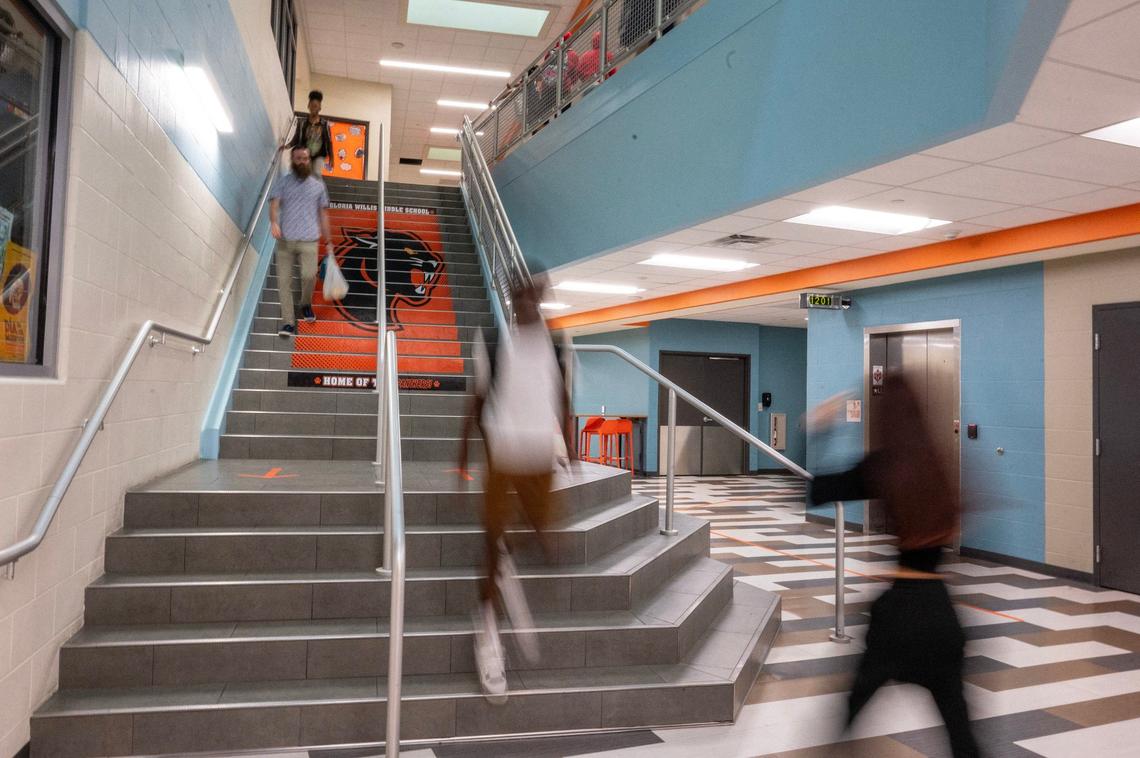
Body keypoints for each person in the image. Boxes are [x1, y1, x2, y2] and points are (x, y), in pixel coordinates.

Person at [807, 375, 980, 758]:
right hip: (941, 615)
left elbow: (819, 491)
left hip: (898, 615)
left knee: (852, 710)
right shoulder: (938, 462)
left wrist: (820, 430)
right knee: (960, 732)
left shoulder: (885, 466)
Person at [457, 276, 574, 703]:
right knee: (490, 540)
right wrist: (462, 454)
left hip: (540, 458)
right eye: (520, 293)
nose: (528, 300)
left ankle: (506, 550)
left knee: (545, 535)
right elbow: (476, 399)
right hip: (502, 455)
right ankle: (487, 630)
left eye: (535, 293)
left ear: (541, 297)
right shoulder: (491, 341)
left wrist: (571, 451)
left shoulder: (558, 343)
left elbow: (562, 397)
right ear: (511, 297)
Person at [269, 146, 332, 337]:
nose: (302, 161)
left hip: (309, 240)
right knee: (284, 282)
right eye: (297, 158)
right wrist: (273, 221)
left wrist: (329, 240)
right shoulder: (283, 182)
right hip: (285, 241)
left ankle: (305, 303)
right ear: (292, 160)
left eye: (305, 158)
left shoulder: (318, 186)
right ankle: (288, 322)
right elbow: (274, 204)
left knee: (308, 275)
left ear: (309, 160)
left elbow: (323, 214)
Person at [288, 90, 333, 180]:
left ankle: (317, 192)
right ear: (308, 106)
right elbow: (296, 138)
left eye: (315, 106)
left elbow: (329, 141)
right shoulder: (302, 123)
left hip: (319, 155)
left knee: (316, 174)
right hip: (304, 154)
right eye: (311, 106)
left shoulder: (324, 124)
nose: (313, 108)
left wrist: (332, 158)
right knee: (302, 175)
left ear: (319, 108)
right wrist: (287, 146)